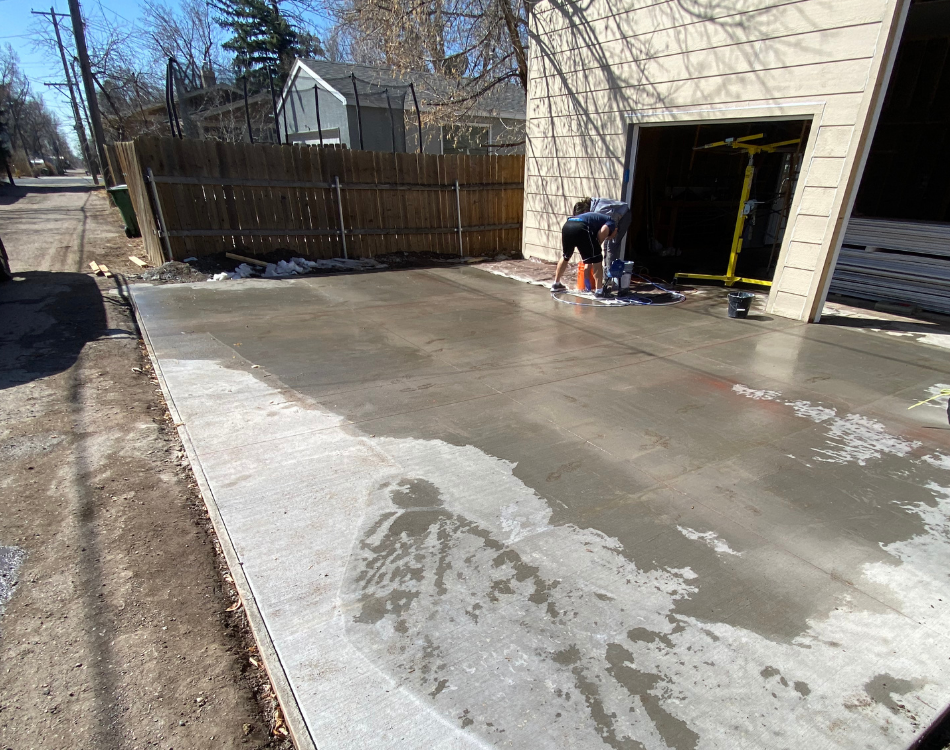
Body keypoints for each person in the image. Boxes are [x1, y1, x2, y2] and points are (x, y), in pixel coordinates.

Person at [551, 210, 617, 292]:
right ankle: (599, 291)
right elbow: (603, 231)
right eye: (614, 235)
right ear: (615, 230)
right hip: (581, 226)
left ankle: (556, 284)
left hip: (568, 225)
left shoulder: (598, 220)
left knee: (566, 255)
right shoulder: (611, 223)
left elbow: (589, 256)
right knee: (597, 258)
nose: (613, 237)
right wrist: (595, 252)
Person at [574, 196, 632, 268]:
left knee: (611, 245)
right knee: (606, 245)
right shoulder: (592, 206)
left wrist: (611, 233)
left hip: (623, 216)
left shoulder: (599, 210)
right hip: (614, 217)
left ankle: (611, 272)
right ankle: (606, 269)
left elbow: (613, 221)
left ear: (585, 211)